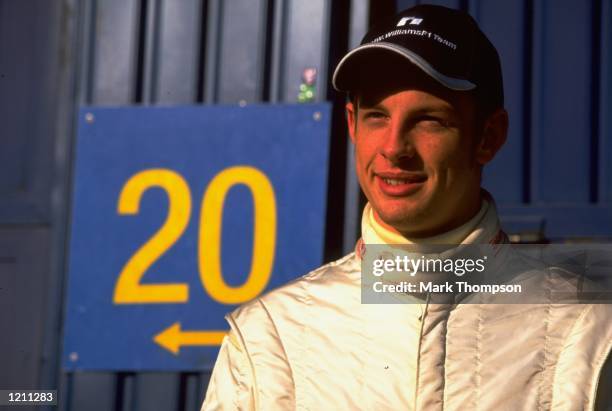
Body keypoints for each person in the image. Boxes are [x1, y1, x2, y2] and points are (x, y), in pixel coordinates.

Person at [202, 5, 612, 410]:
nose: (394, 148)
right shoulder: (269, 341)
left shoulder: (591, 333)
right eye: (377, 116)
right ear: (351, 124)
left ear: (489, 136)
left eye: (428, 120)